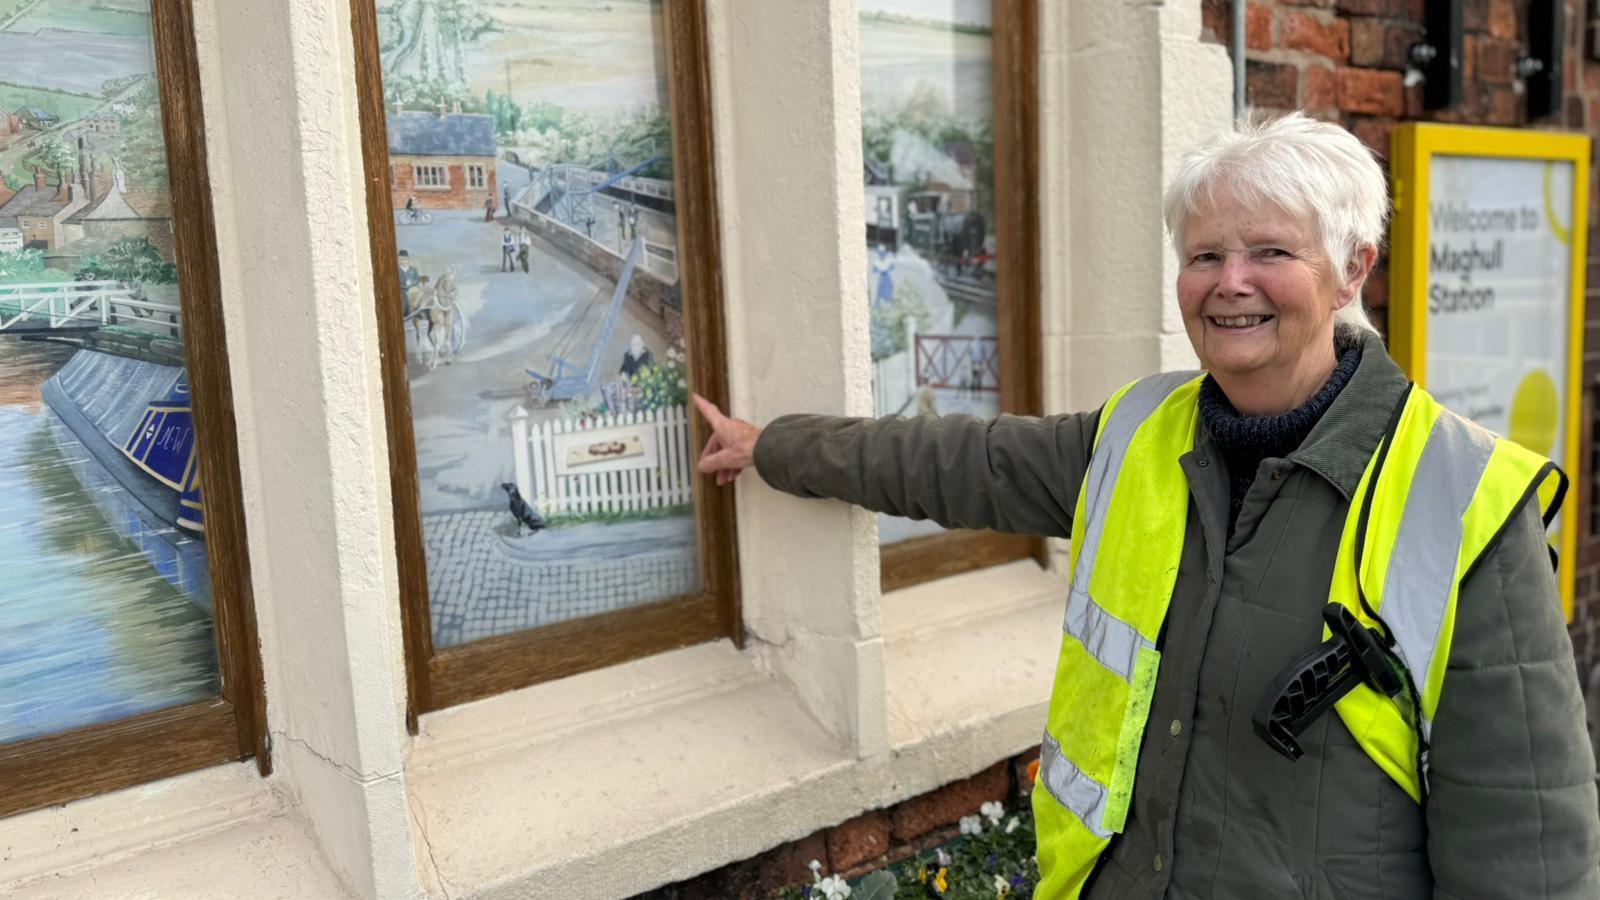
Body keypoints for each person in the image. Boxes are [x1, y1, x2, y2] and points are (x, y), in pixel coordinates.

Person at [692, 113, 1600, 899]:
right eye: (1205, 255)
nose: (1228, 282)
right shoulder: (1138, 434)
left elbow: (1525, 841)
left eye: (1270, 252)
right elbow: (960, 462)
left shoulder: (1462, 503)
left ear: (1351, 268)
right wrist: (774, 446)